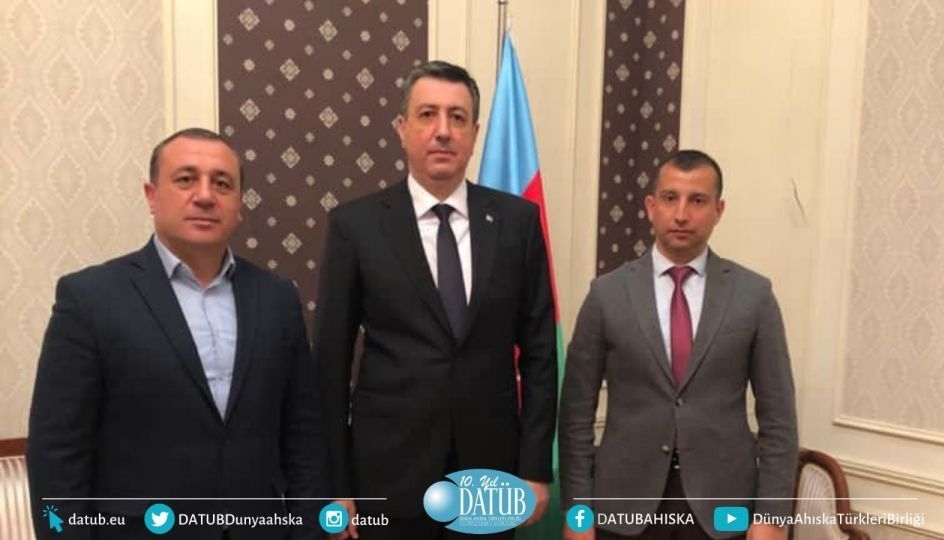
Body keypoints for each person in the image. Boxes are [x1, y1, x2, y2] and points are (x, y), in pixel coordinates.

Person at [27, 128, 326, 540]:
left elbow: (303, 436)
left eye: (222, 184)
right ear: (152, 196)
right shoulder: (90, 298)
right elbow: (56, 453)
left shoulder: (277, 298)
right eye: (186, 179)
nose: (205, 196)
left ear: (239, 204)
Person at [314, 61, 557, 539]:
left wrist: (534, 468)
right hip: (386, 474)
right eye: (427, 115)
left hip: (490, 474)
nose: (443, 131)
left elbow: (541, 355)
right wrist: (336, 486)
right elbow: (330, 363)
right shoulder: (356, 226)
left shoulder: (518, 223)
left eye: (457, 117)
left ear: (475, 133)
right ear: (402, 128)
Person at [559, 150, 797, 540]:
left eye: (697, 200)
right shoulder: (607, 295)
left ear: (719, 210)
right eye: (670, 198)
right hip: (623, 506)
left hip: (722, 510)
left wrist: (771, 516)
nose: (682, 214)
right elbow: (575, 415)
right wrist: (577, 513)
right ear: (651, 206)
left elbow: (779, 418)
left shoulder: (753, 296)